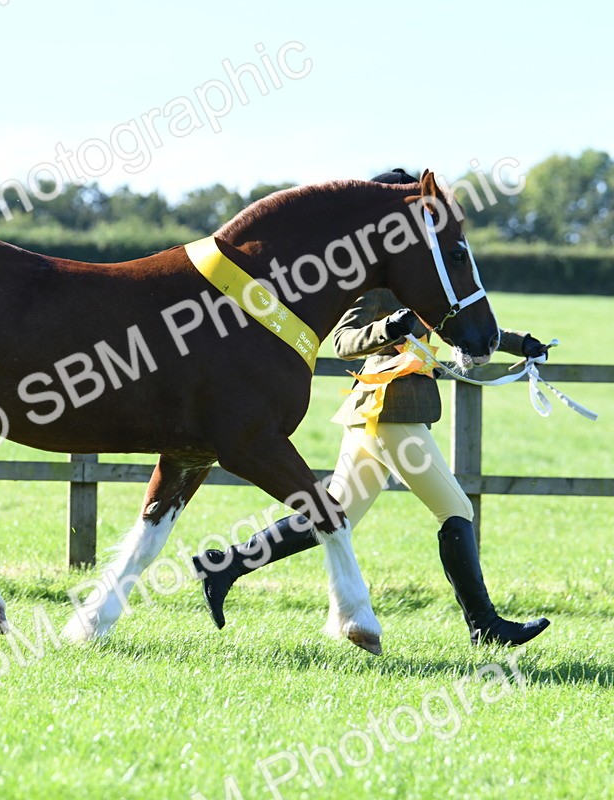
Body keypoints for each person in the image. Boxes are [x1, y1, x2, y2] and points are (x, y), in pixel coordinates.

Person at [192, 169, 551, 647]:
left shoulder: (423, 276)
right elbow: (342, 340)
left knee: (333, 513)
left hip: (378, 417)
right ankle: (485, 626)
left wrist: (517, 343)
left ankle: (224, 567)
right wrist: (390, 328)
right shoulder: (378, 284)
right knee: (455, 506)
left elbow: (452, 320)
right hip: (389, 413)